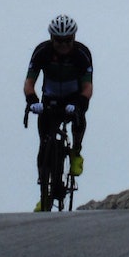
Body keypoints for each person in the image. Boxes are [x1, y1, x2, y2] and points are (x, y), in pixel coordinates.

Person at [24, 14, 93, 189]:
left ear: (74, 38)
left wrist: (80, 103)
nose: (63, 45)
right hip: (50, 100)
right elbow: (29, 82)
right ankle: (44, 191)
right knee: (44, 144)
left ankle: (76, 151)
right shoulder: (42, 52)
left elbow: (87, 86)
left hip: (73, 98)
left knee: (79, 121)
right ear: (51, 38)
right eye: (58, 40)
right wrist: (32, 100)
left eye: (68, 40)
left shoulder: (82, 54)